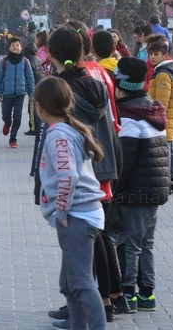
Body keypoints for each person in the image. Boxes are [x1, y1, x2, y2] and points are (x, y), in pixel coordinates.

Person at [35, 76, 107, 330]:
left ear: (40, 107)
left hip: (78, 217)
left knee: (82, 282)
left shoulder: (59, 136)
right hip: (81, 215)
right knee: (69, 281)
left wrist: (62, 211)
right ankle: (78, 325)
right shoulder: (67, 129)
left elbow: (68, 176)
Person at [113, 57, 169, 313]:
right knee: (146, 244)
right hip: (154, 191)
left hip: (136, 193)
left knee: (131, 245)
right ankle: (147, 294)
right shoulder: (151, 110)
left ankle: (128, 294)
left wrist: (114, 193)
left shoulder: (129, 118)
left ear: (122, 86)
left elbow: (124, 163)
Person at [147, 38, 173, 194]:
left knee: (165, 150)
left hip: (164, 119)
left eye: (156, 54)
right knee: (170, 149)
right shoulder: (165, 71)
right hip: (168, 118)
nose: (152, 57)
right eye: (150, 54)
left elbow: (161, 102)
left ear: (164, 55)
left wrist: (155, 119)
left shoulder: (162, 74)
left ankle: (167, 181)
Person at [0, 36, 35, 148]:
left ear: (21, 47)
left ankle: (13, 138)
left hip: (20, 94)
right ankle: (7, 123)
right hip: (6, 94)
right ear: (9, 47)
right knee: (6, 115)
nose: (15, 47)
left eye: (17, 45)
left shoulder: (25, 62)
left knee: (17, 117)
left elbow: (30, 78)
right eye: (13, 45)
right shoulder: (4, 61)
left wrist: (32, 94)